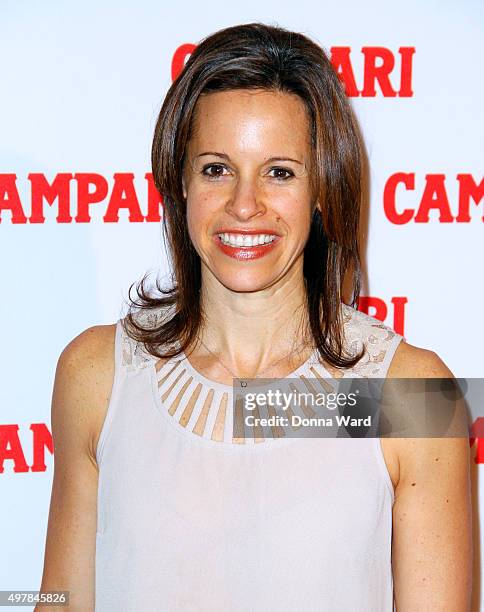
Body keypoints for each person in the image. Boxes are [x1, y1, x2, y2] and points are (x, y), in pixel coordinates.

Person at [37, 22, 472, 611]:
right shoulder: (97, 375)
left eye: (280, 172)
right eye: (216, 168)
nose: (245, 206)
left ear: (322, 187)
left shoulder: (408, 395)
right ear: (179, 180)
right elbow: (62, 603)